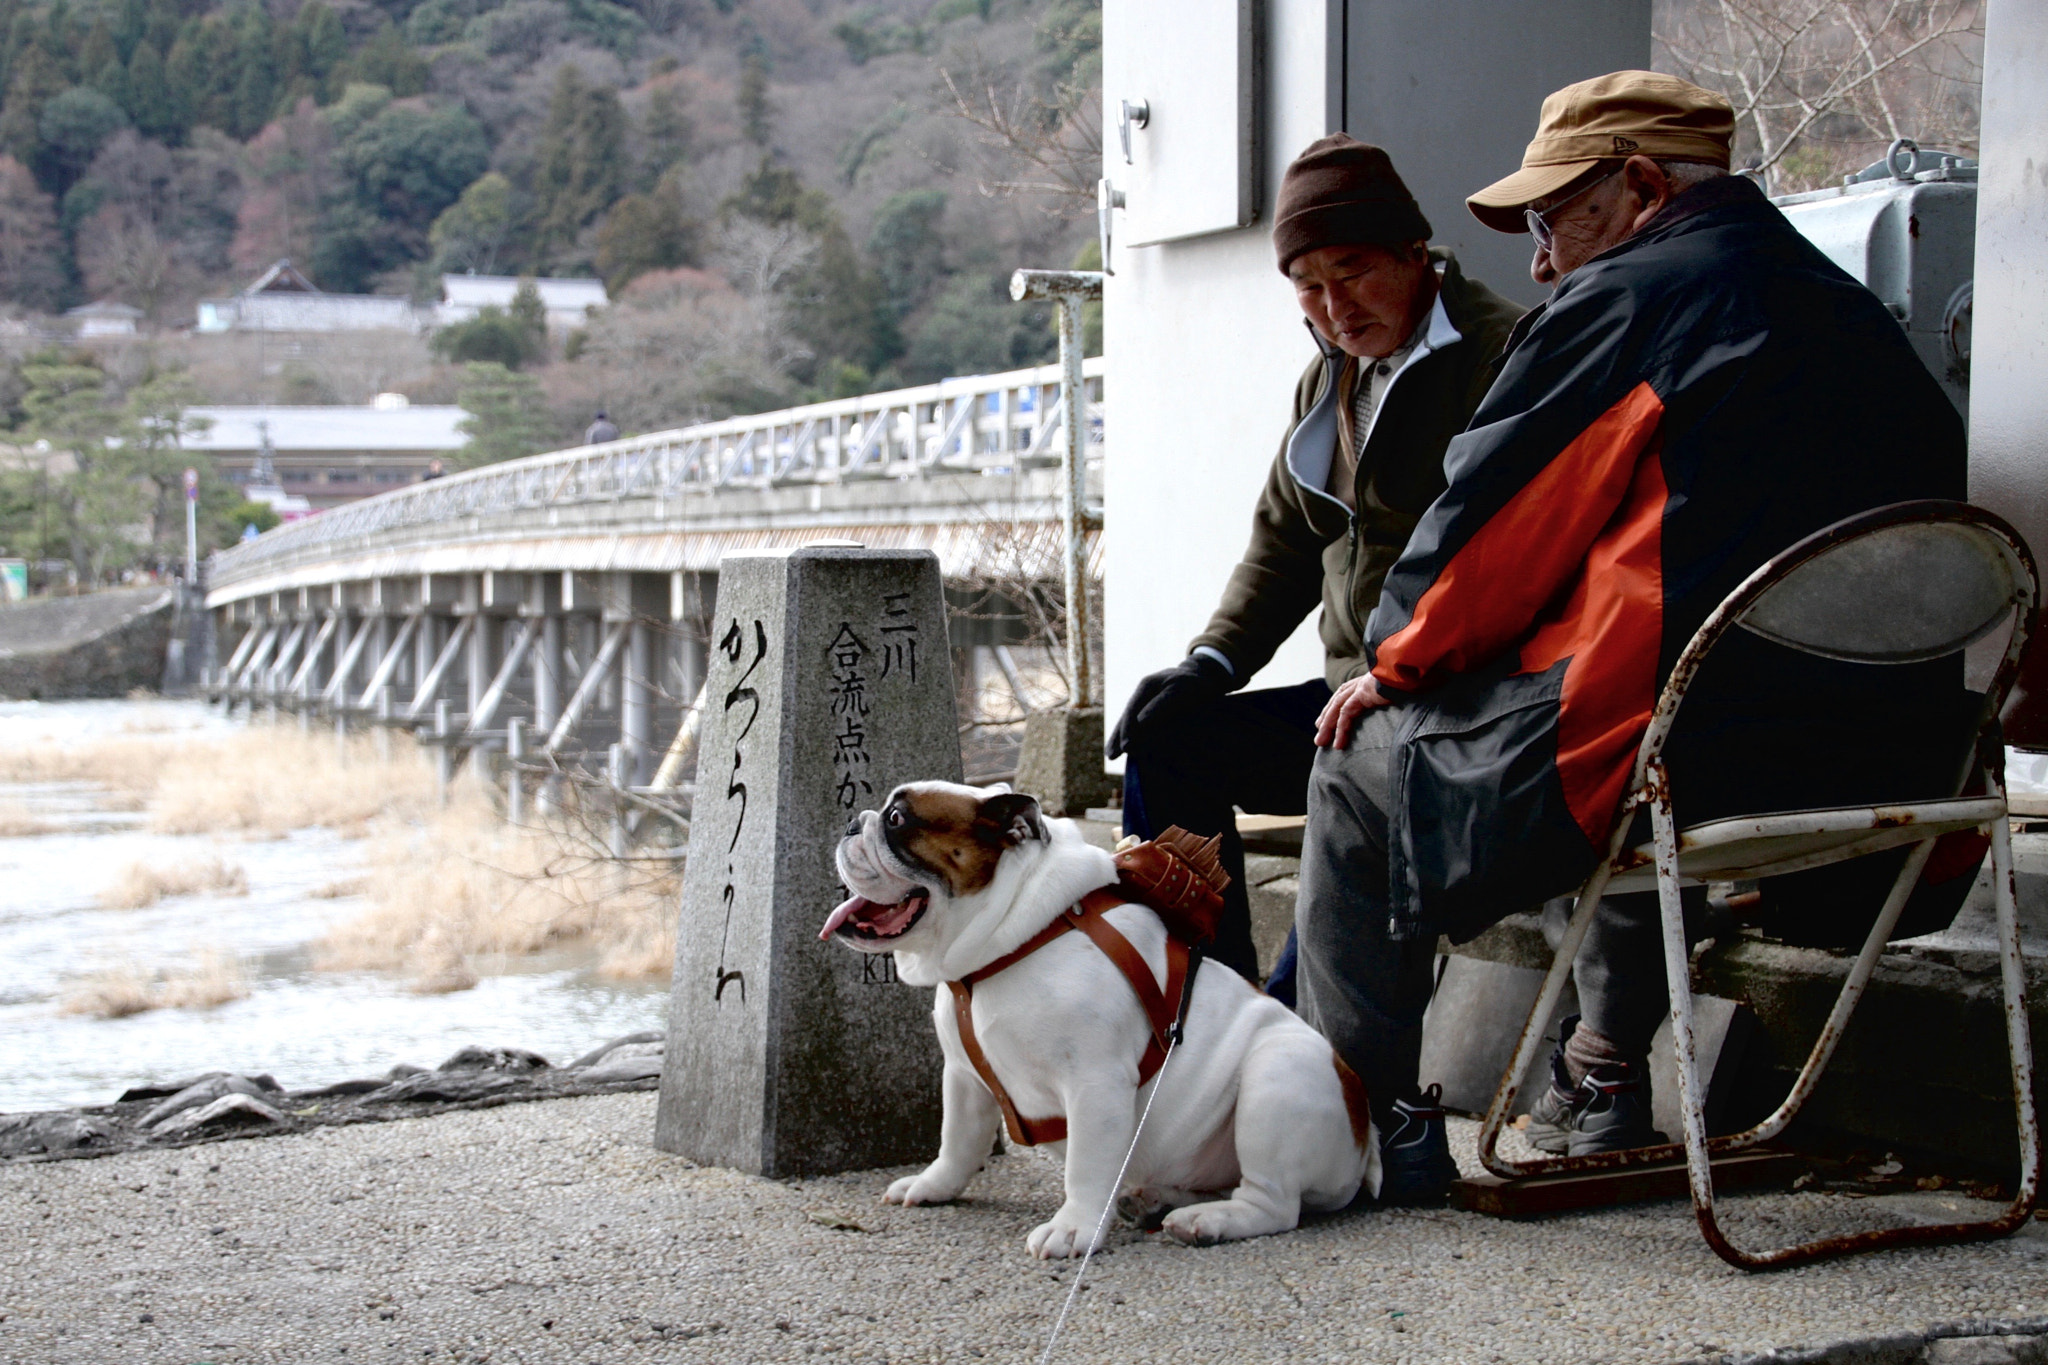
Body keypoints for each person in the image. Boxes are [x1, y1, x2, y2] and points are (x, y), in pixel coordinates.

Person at [1292, 71, 1972, 1205]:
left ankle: (1349, 1126)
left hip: (1686, 757)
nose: (1544, 255)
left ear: (1643, 185)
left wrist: (1393, 663)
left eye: (1556, 214)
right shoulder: (1850, 309)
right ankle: (1600, 1075)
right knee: (1635, 715)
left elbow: (1490, 530)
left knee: (1357, 767)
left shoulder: (1634, 298)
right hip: (1905, 769)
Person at [1104, 134, 1523, 989]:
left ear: (1416, 254)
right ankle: (1202, 1001)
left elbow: (1508, 553)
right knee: (1170, 737)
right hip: (1348, 707)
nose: (1334, 305)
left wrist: (1403, 675)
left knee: (1344, 835)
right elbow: (1287, 539)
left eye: (1354, 271)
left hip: (1459, 707)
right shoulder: (1330, 378)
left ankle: (1291, 1036)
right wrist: (1209, 662)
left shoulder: (1503, 353)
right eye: (1308, 285)